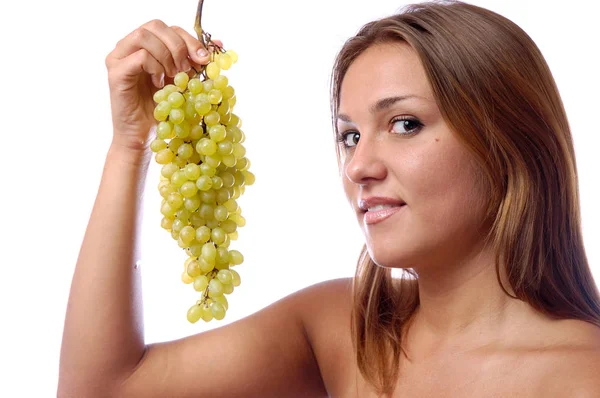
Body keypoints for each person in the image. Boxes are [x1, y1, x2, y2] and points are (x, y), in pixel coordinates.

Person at [58, 1, 600, 397]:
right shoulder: (345, 329)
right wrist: (130, 145)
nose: (360, 166)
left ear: (509, 141)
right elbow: (101, 388)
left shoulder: (584, 375)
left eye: (405, 124)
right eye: (349, 135)